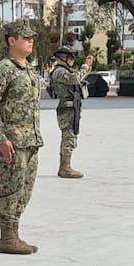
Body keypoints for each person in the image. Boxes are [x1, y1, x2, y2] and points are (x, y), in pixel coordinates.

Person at [0, 19, 43, 255]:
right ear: (11, 40)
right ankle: (6, 237)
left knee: (25, 190)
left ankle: (14, 234)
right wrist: (1, 137)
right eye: (25, 37)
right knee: (11, 188)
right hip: (13, 141)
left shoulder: (29, 70)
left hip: (31, 140)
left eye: (31, 38)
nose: (30, 41)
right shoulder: (3, 70)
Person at [48, 48, 94, 178]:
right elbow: (76, 78)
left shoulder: (64, 71)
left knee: (71, 136)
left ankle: (65, 166)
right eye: (70, 58)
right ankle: (65, 168)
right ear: (63, 58)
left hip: (71, 107)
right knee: (69, 137)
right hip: (66, 108)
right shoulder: (60, 72)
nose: (72, 61)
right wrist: (86, 66)